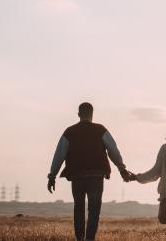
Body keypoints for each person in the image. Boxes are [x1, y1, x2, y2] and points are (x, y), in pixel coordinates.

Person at [47, 102, 132, 241]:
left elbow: (59, 155)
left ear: (79, 114)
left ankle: (79, 238)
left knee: (78, 208)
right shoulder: (101, 130)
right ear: (92, 114)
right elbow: (113, 150)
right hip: (96, 176)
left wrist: (52, 176)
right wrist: (122, 170)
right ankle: (90, 239)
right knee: (94, 210)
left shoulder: (69, 131)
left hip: (77, 176)